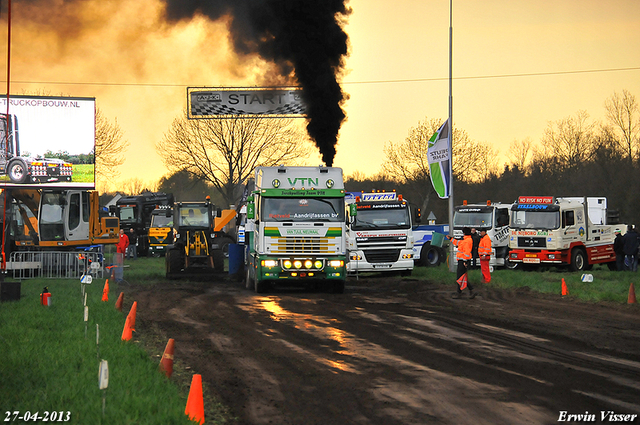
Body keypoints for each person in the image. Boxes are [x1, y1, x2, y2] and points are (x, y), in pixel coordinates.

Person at [447, 227, 476, 299]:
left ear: (465, 233)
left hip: (463, 261)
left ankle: (459, 293)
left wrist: (465, 261)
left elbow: (466, 252)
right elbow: (457, 243)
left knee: (460, 277)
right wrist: (451, 238)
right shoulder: (466, 239)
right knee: (463, 277)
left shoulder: (467, 240)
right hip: (463, 260)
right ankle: (471, 290)